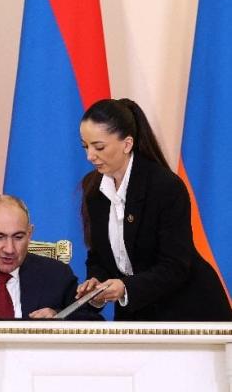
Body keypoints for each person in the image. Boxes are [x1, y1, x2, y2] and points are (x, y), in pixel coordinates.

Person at [76, 98, 231, 321]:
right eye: (85, 146)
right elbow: (99, 255)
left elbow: (175, 265)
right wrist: (96, 285)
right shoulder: (93, 190)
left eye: (99, 147)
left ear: (127, 144)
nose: (90, 156)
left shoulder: (165, 186)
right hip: (138, 315)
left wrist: (126, 288)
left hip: (188, 312)